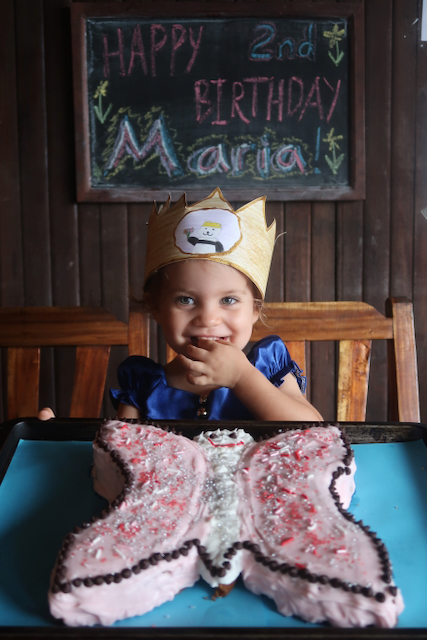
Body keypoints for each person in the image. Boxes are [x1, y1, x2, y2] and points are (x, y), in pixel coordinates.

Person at [39, 188, 322, 423]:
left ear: (255, 310)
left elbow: (313, 432)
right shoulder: (144, 387)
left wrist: (242, 377)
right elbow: (117, 452)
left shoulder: (269, 371)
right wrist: (55, 438)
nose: (208, 318)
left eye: (228, 300)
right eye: (186, 300)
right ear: (156, 308)